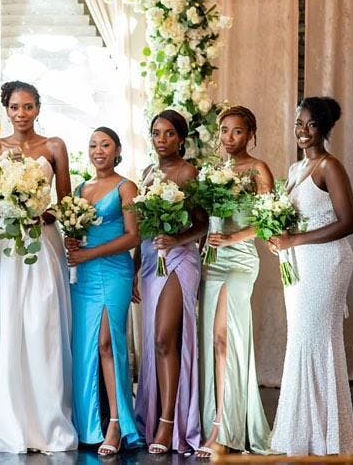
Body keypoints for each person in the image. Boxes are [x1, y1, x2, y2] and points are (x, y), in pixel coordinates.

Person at [0, 81, 78, 453]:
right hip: (7, 245)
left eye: (28, 106)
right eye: (15, 107)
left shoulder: (55, 146)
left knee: (43, 323)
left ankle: (47, 419)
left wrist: (39, 210)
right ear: (7, 110)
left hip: (42, 243)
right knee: (10, 323)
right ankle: (8, 414)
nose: (21, 114)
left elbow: (65, 201)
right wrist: (13, 208)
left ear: (38, 108)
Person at [269, 96, 353, 456]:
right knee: (300, 339)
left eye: (310, 124)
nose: (303, 131)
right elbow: (291, 218)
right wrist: (279, 237)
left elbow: (349, 222)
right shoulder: (296, 169)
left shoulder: (330, 166)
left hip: (326, 263)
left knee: (317, 340)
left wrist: (295, 239)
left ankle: (330, 434)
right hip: (297, 263)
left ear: (323, 128)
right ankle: (303, 432)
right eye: (299, 123)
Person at [196, 106, 274, 458]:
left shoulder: (258, 169)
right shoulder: (213, 171)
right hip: (212, 261)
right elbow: (205, 219)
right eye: (224, 130)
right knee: (213, 341)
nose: (229, 137)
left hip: (241, 260)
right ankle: (214, 421)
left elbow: (268, 222)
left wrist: (232, 238)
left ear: (251, 134)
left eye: (237, 131)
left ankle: (224, 430)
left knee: (225, 338)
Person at [66, 127, 143, 456]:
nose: (98, 150)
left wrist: (90, 254)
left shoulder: (127, 187)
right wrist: (72, 243)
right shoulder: (80, 189)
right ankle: (89, 425)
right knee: (86, 347)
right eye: (93, 145)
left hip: (114, 272)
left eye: (105, 145)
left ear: (117, 150)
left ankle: (117, 423)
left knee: (108, 344)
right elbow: (75, 233)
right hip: (83, 275)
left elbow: (133, 236)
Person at [135, 110, 205, 455]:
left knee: (165, 337)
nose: (161, 140)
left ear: (181, 139)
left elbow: (203, 224)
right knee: (156, 341)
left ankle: (168, 423)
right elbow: (141, 228)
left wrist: (177, 240)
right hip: (151, 260)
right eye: (156, 133)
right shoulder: (147, 173)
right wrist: (135, 267)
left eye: (169, 134)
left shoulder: (189, 173)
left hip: (180, 258)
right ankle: (155, 415)